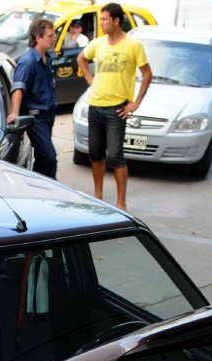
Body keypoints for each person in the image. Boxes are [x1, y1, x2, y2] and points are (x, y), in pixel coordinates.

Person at [77, 3, 151, 210]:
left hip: (117, 108)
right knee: (96, 153)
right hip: (95, 105)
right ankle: (98, 196)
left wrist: (136, 102)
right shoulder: (98, 43)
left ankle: (121, 202)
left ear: (116, 21)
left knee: (115, 156)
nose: (101, 24)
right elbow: (81, 58)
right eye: (101, 20)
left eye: (105, 20)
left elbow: (147, 74)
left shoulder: (133, 46)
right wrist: (90, 78)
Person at [7, 18, 59, 179]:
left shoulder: (47, 58)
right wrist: (15, 112)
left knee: (43, 159)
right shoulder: (28, 61)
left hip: (48, 116)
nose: (54, 38)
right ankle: (51, 188)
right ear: (38, 37)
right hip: (36, 119)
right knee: (50, 158)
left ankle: (37, 188)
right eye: (50, 36)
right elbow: (18, 87)